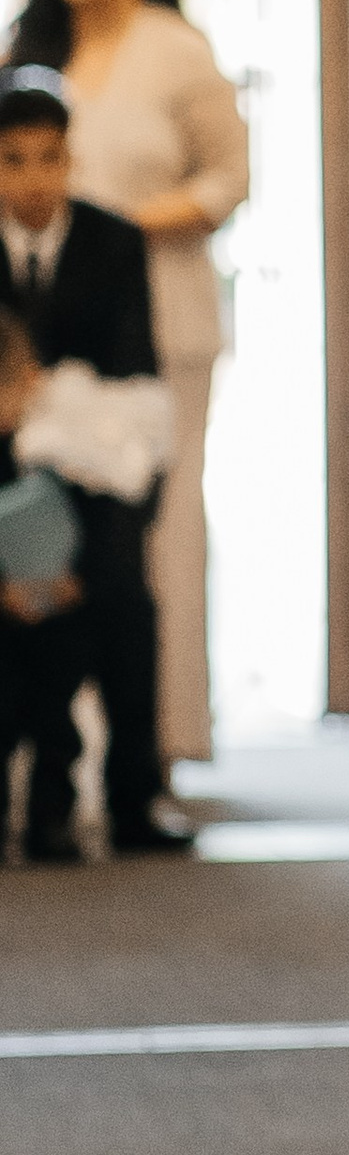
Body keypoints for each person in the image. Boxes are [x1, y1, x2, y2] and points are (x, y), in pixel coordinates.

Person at [9, 0, 248, 770]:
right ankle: (45, 744)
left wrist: (116, 229)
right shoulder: (26, 48)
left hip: (161, 321)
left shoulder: (177, 48)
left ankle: (162, 741)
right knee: (44, 522)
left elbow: (229, 178)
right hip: (40, 335)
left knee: (158, 528)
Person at [0, 71, 182, 859]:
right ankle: (41, 799)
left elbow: (136, 390)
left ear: (70, 158)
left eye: (49, 158)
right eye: (12, 160)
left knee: (120, 593)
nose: (33, 178)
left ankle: (129, 799)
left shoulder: (114, 242)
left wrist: (73, 551)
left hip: (94, 477)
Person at [0, 303, 85, 864]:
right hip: (4, 611)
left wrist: (67, 581)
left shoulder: (49, 447)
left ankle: (51, 817)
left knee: (56, 719)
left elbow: (79, 522)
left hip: (52, 604)